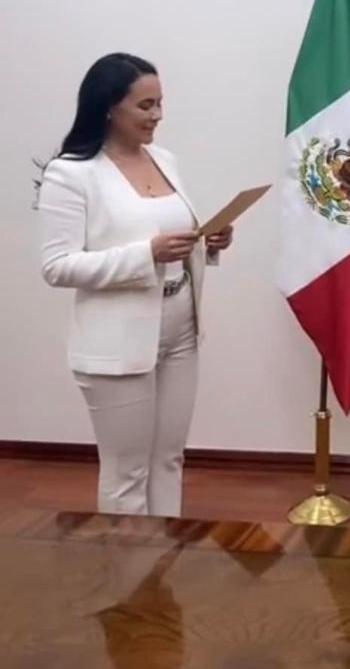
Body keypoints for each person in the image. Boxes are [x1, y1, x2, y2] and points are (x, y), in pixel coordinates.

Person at [37, 53, 233, 517]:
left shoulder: (164, 160)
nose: (157, 115)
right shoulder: (70, 173)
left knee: (168, 460)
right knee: (127, 473)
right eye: (145, 105)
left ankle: (164, 558)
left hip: (181, 328)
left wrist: (209, 241)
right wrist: (146, 255)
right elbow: (57, 266)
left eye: (160, 103)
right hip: (117, 341)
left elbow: (175, 239)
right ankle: (127, 565)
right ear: (109, 107)